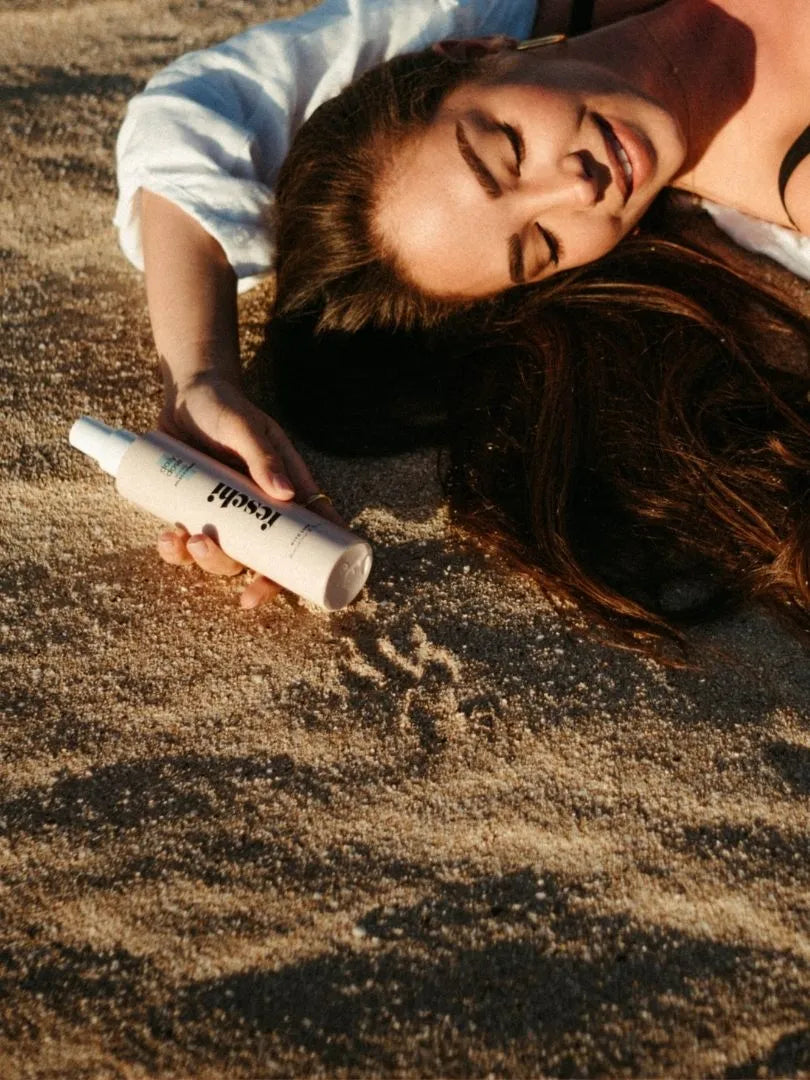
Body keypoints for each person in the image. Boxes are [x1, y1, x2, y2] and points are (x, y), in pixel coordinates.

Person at [115, 0, 810, 654]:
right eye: (543, 245)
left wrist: (199, 375)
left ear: (478, 50)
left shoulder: (513, 10)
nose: (577, 188)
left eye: (508, 150)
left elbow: (192, 116)